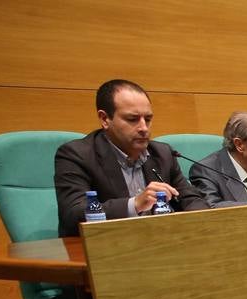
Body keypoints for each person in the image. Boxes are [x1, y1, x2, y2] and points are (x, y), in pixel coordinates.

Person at [54, 79, 207, 235]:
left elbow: (192, 199)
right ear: (104, 119)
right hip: (107, 246)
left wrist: (201, 221)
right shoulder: (77, 155)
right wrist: (135, 204)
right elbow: (73, 214)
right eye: (132, 119)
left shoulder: (162, 153)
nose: (143, 128)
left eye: (147, 119)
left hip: (161, 244)